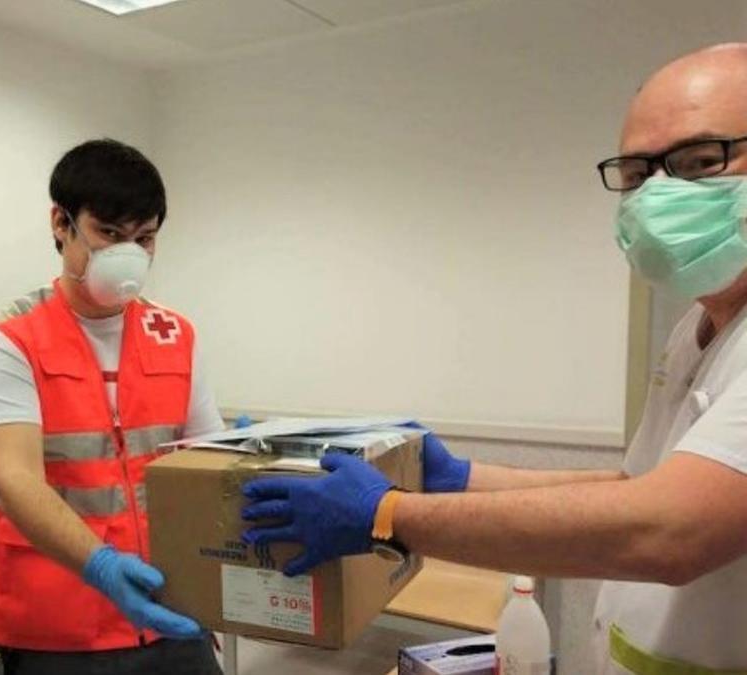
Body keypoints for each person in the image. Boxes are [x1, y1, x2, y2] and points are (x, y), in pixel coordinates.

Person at [242, 43, 747, 674]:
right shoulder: (697, 328)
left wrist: (390, 514)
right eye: (639, 175)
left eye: (700, 161)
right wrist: (461, 477)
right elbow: (635, 487)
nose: (658, 196)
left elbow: (668, 529)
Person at [0, 138, 224, 674]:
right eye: (109, 233)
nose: (128, 254)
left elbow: (209, 461)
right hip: (54, 633)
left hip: (170, 613)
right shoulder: (6, 340)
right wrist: (99, 565)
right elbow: (15, 478)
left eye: (144, 238)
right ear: (61, 223)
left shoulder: (174, 334)